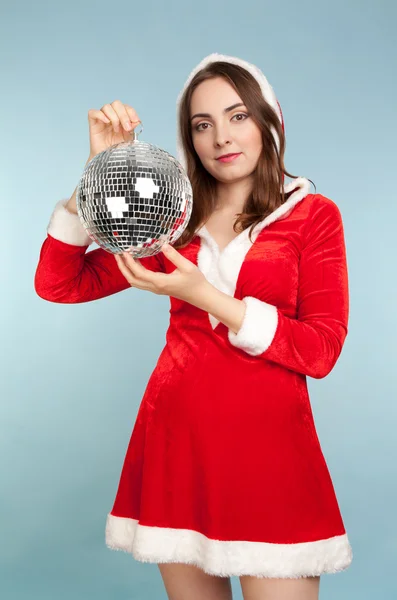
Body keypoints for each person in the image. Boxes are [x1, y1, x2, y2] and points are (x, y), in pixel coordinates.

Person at [34, 52, 352, 600]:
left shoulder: (313, 215)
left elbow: (320, 351)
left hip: (269, 457)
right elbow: (61, 283)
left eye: (237, 117)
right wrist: (100, 174)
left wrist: (206, 297)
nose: (221, 138)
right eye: (202, 125)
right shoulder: (170, 218)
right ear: (189, 138)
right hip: (176, 447)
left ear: (269, 120)